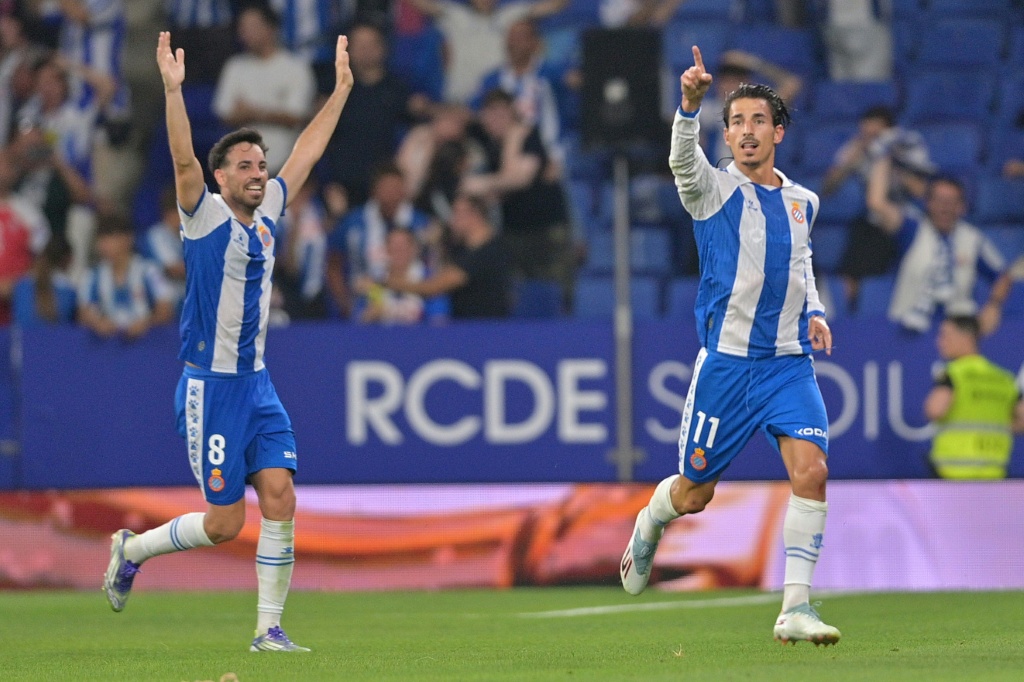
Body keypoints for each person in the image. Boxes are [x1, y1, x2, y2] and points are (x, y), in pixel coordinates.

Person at [102, 30, 353, 653]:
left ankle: (268, 629)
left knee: (280, 493)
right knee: (223, 523)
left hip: (258, 383)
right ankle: (132, 550)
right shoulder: (204, 215)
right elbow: (183, 159)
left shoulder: (270, 210)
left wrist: (342, 90)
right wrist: (171, 90)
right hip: (209, 389)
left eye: (261, 166)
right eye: (245, 166)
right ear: (220, 177)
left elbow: (309, 151)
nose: (259, 174)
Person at [619, 46, 841, 646]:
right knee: (694, 494)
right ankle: (651, 519)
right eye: (736, 122)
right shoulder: (711, 192)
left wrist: (814, 310)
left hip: (789, 365)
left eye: (757, 121)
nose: (746, 131)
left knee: (812, 473)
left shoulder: (803, 204)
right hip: (728, 368)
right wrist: (689, 108)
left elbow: (801, 261)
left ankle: (795, 608)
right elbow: (681, 162)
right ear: (728, 134)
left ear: (778, 133)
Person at [867, 162, 1012, 336]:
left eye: (951, 201)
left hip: (958, 331)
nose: (945, 207)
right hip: (908, 330)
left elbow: (1002, 276)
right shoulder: (912, 229)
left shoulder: (972, 239)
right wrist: (883, 155)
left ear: (962, 206)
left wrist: (994, 306)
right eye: (939, 200)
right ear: (928, 203)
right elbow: (876, 203)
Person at [212, 4, 316, 174]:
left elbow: (296, 116)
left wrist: (252, 113)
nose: (246, 34)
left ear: (271, 28)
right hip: (240, 167)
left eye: (253, 27)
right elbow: (224, 114)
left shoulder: (295, 67)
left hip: (285, 165)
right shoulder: (234, 67)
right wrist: (275, 113)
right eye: (243, 28)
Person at [404, 0, 568, 104]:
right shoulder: (455, 15)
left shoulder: (510, 15)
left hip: (497, 103)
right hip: (460, 101)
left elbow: (556, 4)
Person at [924, 315, 1024, 479]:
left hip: (952, 475)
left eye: (946, 335)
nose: (940, 342)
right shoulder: (1004, 378)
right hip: (994, 473)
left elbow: (935, 410)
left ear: (966, 337)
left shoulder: (953, 374)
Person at [383, 192, 511, 319]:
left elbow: (433, 287)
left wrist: (385, 283)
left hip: (484, 329)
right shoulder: (462, 249)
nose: (452, 220)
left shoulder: (488, 252)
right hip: (464, 327)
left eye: (457, 213)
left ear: (474, 215)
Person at [77, 213, 175, 340]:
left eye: (110, 238)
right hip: (107, 348)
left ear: (128, 239)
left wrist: (147, 323)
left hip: (146, 346)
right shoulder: (92, 276)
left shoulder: (150, 271)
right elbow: (83, 312)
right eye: (101, 239)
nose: (103, 245)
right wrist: (96, 322)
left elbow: (165, 309)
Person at [12, 235, 76, 327]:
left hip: (22, 340)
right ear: (68, 259)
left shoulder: (20, 285)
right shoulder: (69, 290)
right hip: (55, 340)